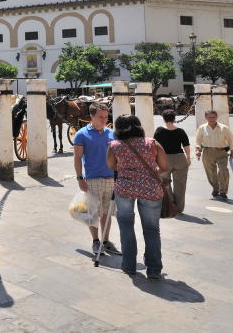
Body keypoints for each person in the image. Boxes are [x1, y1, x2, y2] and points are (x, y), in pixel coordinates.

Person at [107, 114, 169, 279]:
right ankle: (154, 269)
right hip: (150, 189)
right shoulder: (152, 143)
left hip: (125, 189)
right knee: (152, 229)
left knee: (126, 227)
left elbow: (111, 165)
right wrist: (150, 172)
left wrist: (126, 169)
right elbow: (164, 166)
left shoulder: (115, 145)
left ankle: (129, 266)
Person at [72, 102, 121, 256]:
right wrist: (80, 178)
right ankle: (95, 241)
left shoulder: (112, 133)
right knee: (92, 213)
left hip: (111, 179)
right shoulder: (81, 134)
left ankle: (106, 241)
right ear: (91, 116)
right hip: (92, 179)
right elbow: (77, 157)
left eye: (106, 117)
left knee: (107, 212)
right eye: (101, 117)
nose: (104, 120)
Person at [154, 109, 191, 213]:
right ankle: (179, 208)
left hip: (164, 158)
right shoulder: (180, 131)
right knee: (180, 184)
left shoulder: (159, 131)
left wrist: (155, 160)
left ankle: (171, 205)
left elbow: (155, 146)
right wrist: (188, 158)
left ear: (163, 119)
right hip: (180, 158)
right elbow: (186, 146)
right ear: (174, 118)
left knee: (165, 182)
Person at [195, 110, 233, 200]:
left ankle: (223, 191)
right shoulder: (202, 128)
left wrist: (232, 151)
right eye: (209, 117)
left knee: (223, 171)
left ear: (216, 117)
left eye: (213, 117)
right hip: (207, 152)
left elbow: (231, 140)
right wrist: (198, 150)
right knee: (211, 173)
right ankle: (215, 188)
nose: (212, 119)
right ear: (206, 117)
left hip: (221, 152)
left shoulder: (224, 128)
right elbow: (198, 140)